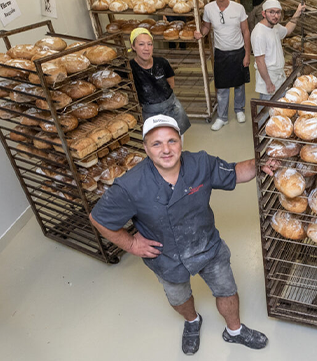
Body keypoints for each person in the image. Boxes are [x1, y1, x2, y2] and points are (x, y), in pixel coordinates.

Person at [89, 115, 278, 355]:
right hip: (166, 256)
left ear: (181, 141)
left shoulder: (200, 163)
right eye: (156, 143)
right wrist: (131, 244)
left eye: (172, 141)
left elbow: (234, 172)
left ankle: (234, 331)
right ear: (146, 148)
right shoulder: (130, 185)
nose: (166, 149)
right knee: (179, 298)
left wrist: (259, 164)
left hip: (207, 244)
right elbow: (98, 218)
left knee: (227, 289)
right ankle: (192, 321)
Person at [195, 0, 252, 131]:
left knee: (239, 84)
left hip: (238, 51)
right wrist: (200, 33)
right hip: (220, 52)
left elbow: (246, 31)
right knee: (221, 87)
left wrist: (247, 54)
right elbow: (206, 26)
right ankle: (222, 117)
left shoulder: (238, 8)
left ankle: (239, 110)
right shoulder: (209, 8)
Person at [128, 28, 191, 134]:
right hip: (150, 113)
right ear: (133, 46)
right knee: (157, 140)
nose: (146, 48)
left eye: (149, 44)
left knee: (177, 137)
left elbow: (171, 84)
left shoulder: (162, 63)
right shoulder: (129, 68)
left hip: (172, 108)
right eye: (141, 44)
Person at [251, 0, 305, 102]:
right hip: (269, 79)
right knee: (267, 110)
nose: (275, 16)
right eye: (271, 12)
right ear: (263, 13)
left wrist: (298, 12)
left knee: (279, 108)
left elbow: (287, 30)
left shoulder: (274, 27)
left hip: (279, 78)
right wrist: (268, 83)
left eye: (278, 12)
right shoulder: (259, 33)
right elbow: (260, 61)